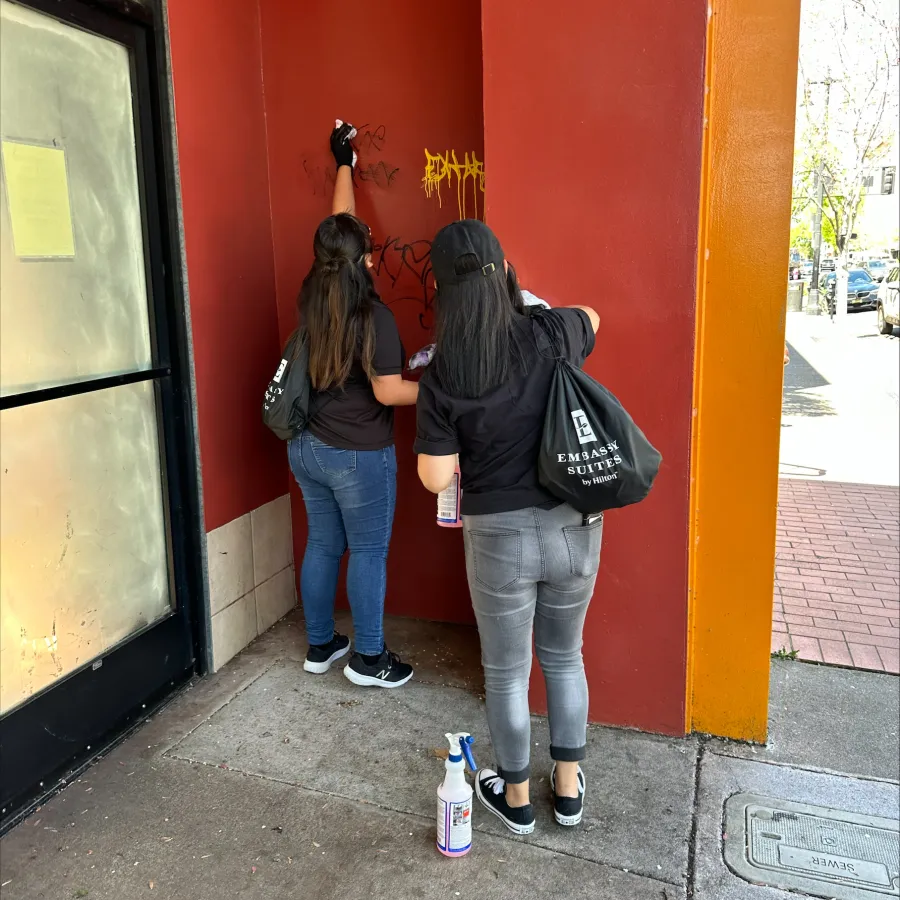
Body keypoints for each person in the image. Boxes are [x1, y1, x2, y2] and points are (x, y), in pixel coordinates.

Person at [415, 220, 601, 834]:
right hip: (574, 522)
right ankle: (569, 791)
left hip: (498, 537)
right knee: (565, 657)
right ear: (506, 273)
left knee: (506, 672)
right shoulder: (551, 332)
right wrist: (534, 305)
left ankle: (515, 796)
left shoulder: (444, 373)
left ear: (443, 293)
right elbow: (593, 318)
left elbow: (435, 476)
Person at [289, 123, 417, 688]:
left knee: (322, 542)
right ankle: (368, 659)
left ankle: (322, 645)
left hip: (306, 447)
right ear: (364, 257)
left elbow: (336, 234)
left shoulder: (313, 292)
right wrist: (438, 390)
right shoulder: (375, 317)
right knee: (368, 551)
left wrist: (344, 162)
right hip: (358, 456)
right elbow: (390, 391)